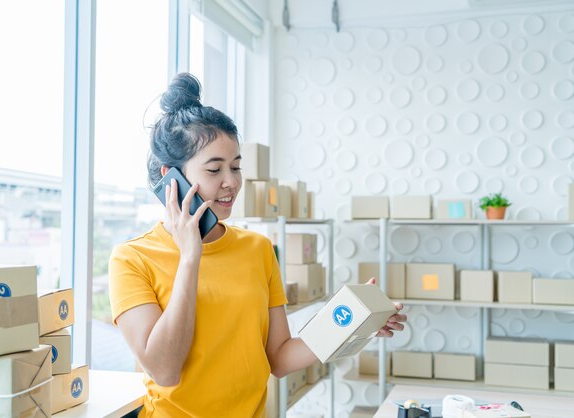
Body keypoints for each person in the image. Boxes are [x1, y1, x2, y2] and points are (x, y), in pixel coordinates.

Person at [108, 73, 407, 418]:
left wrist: (353, 323)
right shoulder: (132, 259)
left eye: (235, 167)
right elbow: (164, 369)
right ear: (170, 178)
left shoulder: (258, 248)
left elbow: (278, 357)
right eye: (214, 169)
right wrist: (191, 257)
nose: (231, 182)